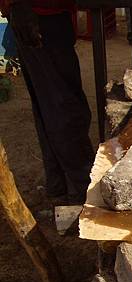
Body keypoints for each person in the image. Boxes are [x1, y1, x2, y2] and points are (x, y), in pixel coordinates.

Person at [1, 0, 95, 205]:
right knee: (64, 106)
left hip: (38, 13)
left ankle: (60, 185)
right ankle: (83, 190)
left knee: (50, 103)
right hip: (39, 15)